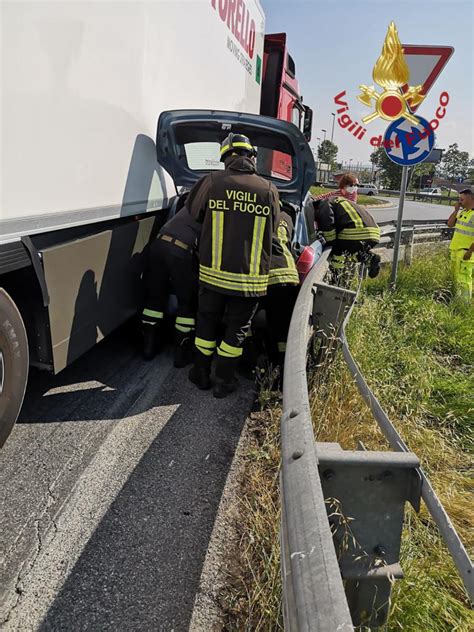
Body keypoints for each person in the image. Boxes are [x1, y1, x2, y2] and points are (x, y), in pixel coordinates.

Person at [186, 132, 280, 398]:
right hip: (249, 281)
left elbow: (194, 214)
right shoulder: (269, 189)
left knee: (206, 324)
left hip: (212, 276)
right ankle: (223, 381)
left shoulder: (211, 182)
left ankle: (200, 372)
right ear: (252, 156)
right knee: (236, 331)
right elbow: (274, 225)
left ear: (225, 158)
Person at [141, 205, 201, 366]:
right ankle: (181, 354)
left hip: (158, 246)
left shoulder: (188, 207)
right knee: (186, 303)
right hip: (180, 251)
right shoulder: (213, 212)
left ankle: (148, 348)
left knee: (153, 300)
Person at [313, 195, 381, 279]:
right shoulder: (338, 202)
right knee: (353, 252)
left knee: (338, 251)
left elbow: (328, 224)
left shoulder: (323, 205)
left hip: (356, 232)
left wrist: (330, 244)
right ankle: (370, 258)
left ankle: (336, 277)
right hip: (374, 234)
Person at [264, 209, 300, 368]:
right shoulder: (287, 217)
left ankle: (265, 362)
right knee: (282, 327)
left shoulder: (259, 214)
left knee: (265, 325)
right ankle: (283, 366)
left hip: (267, 275)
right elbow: (290, 245)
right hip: (289, 274)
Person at [447, 188, 474, 301]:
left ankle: (464, 304)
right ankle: (456, 300)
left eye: (462, 198)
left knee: (464, 280)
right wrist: (456, 211)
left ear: (471, 198)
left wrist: (470, 251)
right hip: (455, 250)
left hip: (465, 252)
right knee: (455, 278)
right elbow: (450, 224)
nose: (460, 201)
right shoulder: (463, 212)